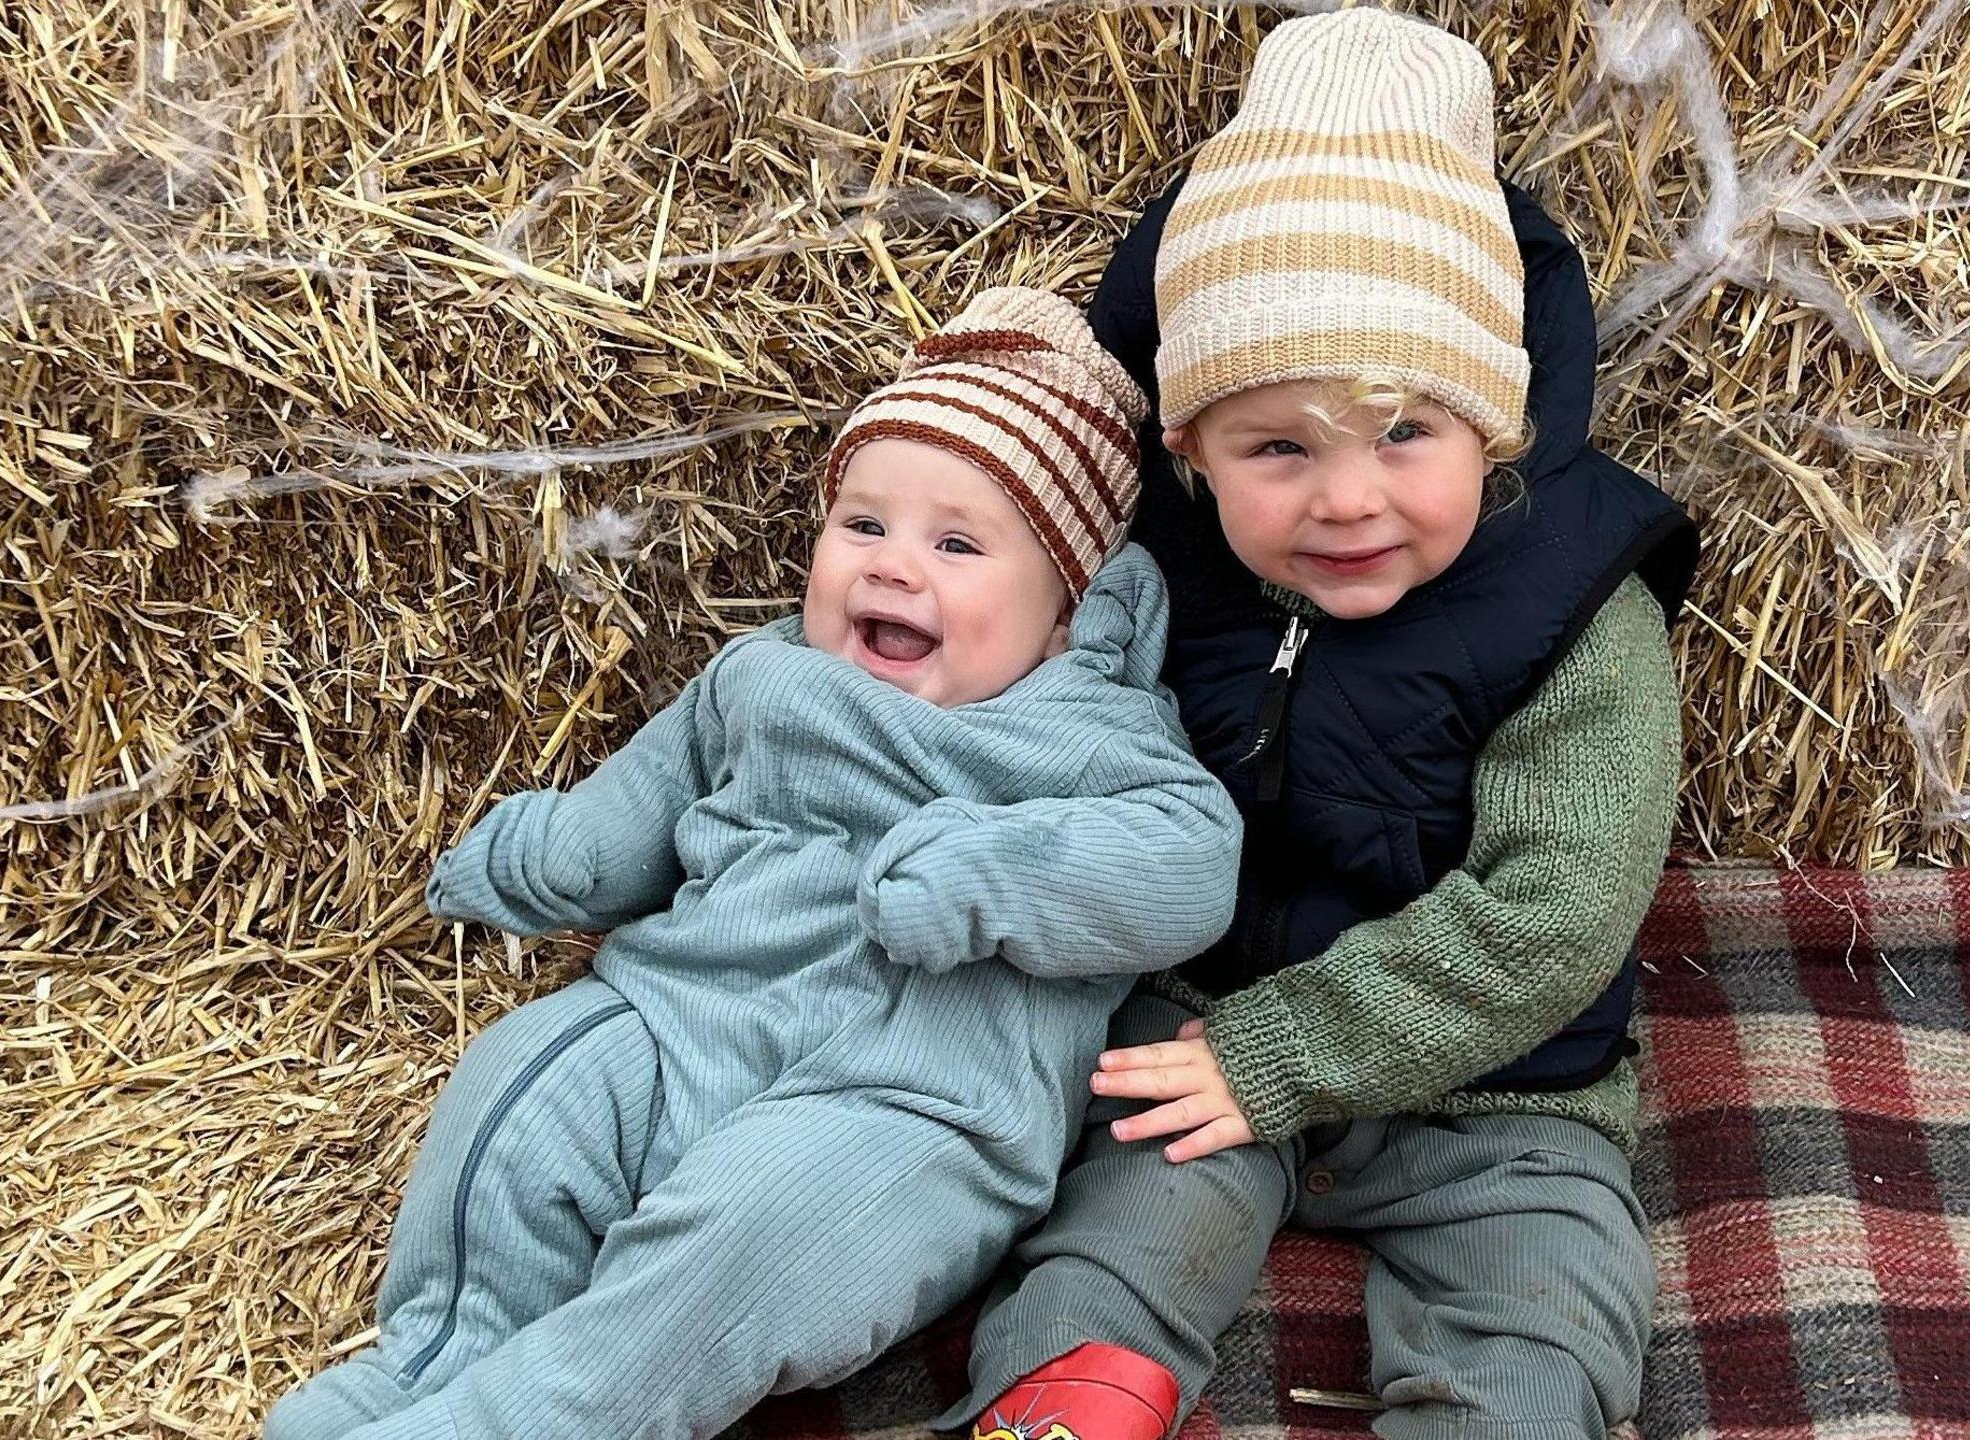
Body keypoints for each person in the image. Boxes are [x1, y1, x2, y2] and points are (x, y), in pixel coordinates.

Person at [265, 286, 1243, 1440]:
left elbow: (1189, 871)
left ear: (1065, 610)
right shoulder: (762, 676)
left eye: (958, 544)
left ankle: (545, 1417)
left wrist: (994, 872)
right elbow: (632, 813)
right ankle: (443, 1356)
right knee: (526, 1083)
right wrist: (545, 860)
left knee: (751, 1232)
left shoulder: (1091, 729)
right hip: (682, 1022)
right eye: (862, 525)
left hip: (904, 1104)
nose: (891, 567)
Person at [945, 11, 1699, 1439]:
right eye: (1279, 445)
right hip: (1196, 1031)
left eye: (1407, 432)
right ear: (1189, 446)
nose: (1347, 499)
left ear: (1496, 422)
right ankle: (1061, 1405)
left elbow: (1557, 914)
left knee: (1551, 1310)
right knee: (1100, 1246)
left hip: (1504, 1093)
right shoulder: (1147, 569)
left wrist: (1281, 1055)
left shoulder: (1580, 607)